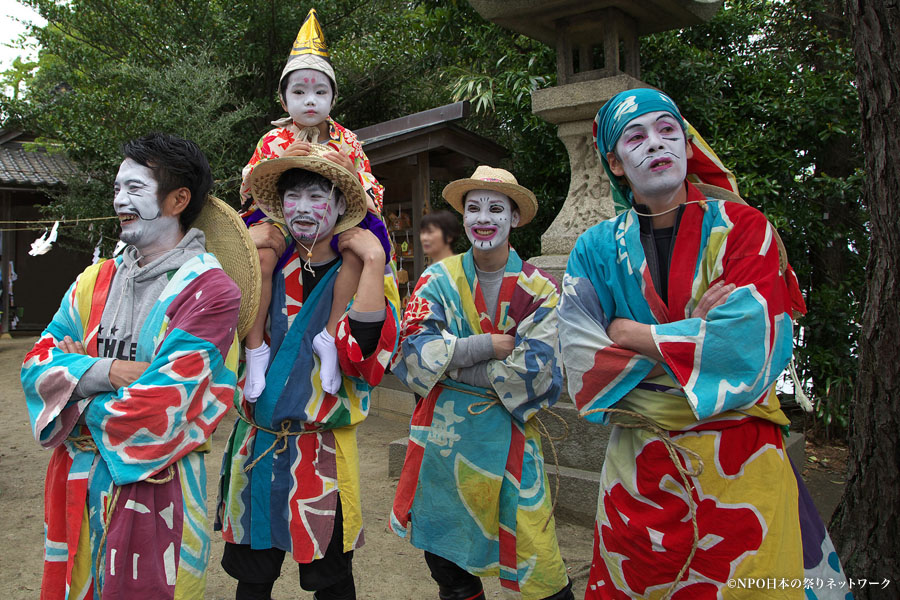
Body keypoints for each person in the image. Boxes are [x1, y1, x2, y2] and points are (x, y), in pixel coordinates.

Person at [559, 88, 849, 598]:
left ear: (688, 145)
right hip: (640, 470)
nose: (656, 144)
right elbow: (582, 359)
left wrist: (633, 334)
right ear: (615, 162)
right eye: (636, 136)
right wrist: (693, 335)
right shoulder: (594, 248)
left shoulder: (747, 231)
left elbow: (751, 345)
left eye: (668, 130)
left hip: (741, 466)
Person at [22, 133, 245, 599]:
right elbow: (34, 365)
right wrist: (109, 372)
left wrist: (74, 388)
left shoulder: (212, 293)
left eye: (135, 189)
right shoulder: (94, 279)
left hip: (159, 495)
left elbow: (158, 412)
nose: (119, 200)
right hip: (76, 495)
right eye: (117, 188)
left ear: (178, 198)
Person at [216, 146, 401, 600]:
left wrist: (375, 262)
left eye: (317, 196)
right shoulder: (260, 263)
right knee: (252, 579)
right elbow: (211, 329)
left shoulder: (364, 266)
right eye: (292, 196)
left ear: (340, 207)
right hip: (256, 445)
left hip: (322, 451)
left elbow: (371, 359)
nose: (303, 208)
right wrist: (243, 252)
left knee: (332, 582)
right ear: (279, 205)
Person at [390, 166, 574, 600]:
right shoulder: (436, 279)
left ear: (514, 218)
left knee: (538, 561)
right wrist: (488, 346)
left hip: (508, 437)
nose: (483, 218)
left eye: (496, 208)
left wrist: (451, 360)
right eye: (473, 209)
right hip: (443, 441)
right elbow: (412, 353)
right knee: (447, 567)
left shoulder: (540, 288)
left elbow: (538, 371)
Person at [241, 8, 391, 398]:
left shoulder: (348, 140)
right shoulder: (270, 141)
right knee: (260, 254)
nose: (310, 101)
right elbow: (249, 186)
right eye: (299, 92)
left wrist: (352, 174)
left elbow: (372, 188)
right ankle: (256, 345)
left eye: (320, 92)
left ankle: (330, 333)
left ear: (333, 97)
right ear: (283, 97)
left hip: (337, 218)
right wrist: (280, 162)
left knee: (361, 251)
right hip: (280, 215)